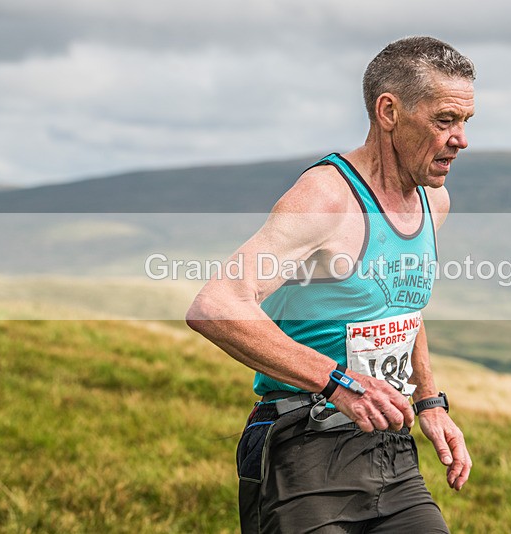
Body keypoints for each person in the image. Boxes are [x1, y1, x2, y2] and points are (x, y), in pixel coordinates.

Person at [186, 35, 475, 533]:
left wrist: (429, 402)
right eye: (444, 120)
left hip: (389, 448)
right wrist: (338, 381)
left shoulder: (434, 203)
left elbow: (400, 308)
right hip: (300, 446)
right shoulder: (327, 197)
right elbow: (216, 305)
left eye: (466, 122)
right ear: (389, 111)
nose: (461, 139)